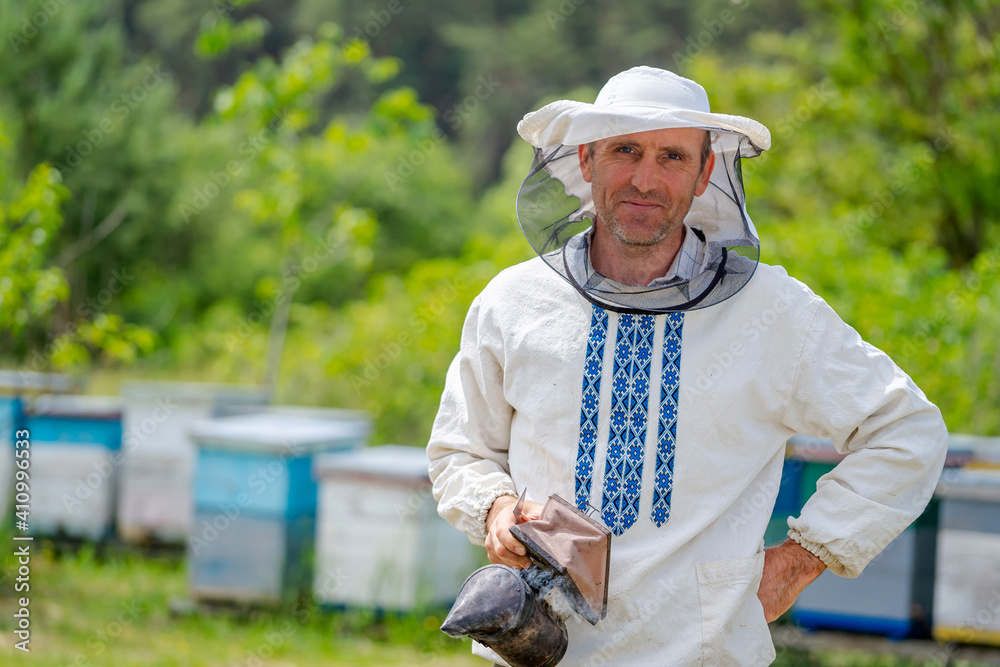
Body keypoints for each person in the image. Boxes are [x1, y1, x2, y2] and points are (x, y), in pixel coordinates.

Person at [427, 66, 947, 666]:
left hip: (702, 653)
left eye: (672, 156)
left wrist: (801, 561)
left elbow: (907, 431)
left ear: (704, 174)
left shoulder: (774, 313)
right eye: (626, 150)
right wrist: (494, 507)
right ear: (587, 160)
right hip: (539, 648)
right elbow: (461, 449)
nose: (645, 179)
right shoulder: (512, 302)